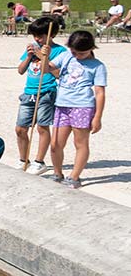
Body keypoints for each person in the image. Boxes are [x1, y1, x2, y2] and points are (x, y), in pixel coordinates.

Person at [46, 30, 107, 189]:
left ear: (91, 48)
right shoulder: (66, 56)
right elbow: (47, 68)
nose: (77, 56)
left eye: (81, 53)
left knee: (80, 143)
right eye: (74, 52)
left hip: (83, 106)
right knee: (55, 144)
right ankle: (57, 173)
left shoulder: (97, 66)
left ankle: (74, 176)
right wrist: (44, 56)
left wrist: (97, 117)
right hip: (62, 105)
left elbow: (100, 92)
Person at [15, 16, 67, 175]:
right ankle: (23, 160)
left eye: (40, 36)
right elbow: (21, 70)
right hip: (29, 92)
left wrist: (44, 56)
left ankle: (39, 161)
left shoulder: (60, 51)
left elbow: (59, 74)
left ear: (51, 35)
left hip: (47, 92)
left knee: (42, 127)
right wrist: (30, 56)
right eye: (34, 36)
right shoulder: (31, 48)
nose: (37, 39)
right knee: (20, 129)